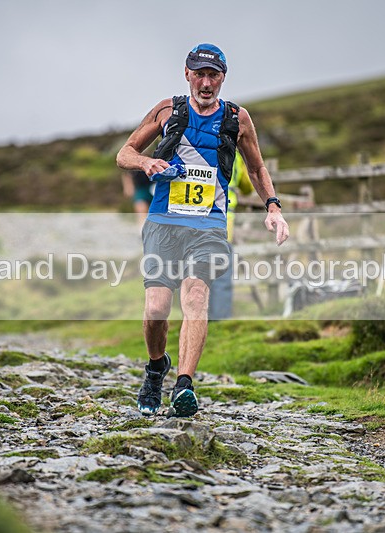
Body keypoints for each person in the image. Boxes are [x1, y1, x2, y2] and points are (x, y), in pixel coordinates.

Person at [116, 43, 289, 417]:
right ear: (187, 74)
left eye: (214, 75)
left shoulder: (237, 118)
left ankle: (183, 385)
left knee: (195, 298)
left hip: (209, 224)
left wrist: (273, 208)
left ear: (223, 78)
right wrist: (147, 163)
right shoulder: (168, 110)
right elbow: (124, 153)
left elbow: (257, 169)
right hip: (164, 221)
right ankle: (155, 367)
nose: (206, 83)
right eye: (200, 74)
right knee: (156, 309)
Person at [208, 150, 253, 320]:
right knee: (221, 276)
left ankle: (200, 319)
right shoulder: (236, 153)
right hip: (225, 222)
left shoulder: (201, 145)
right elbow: (247, 186)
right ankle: (219, 319)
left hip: (197, 221)